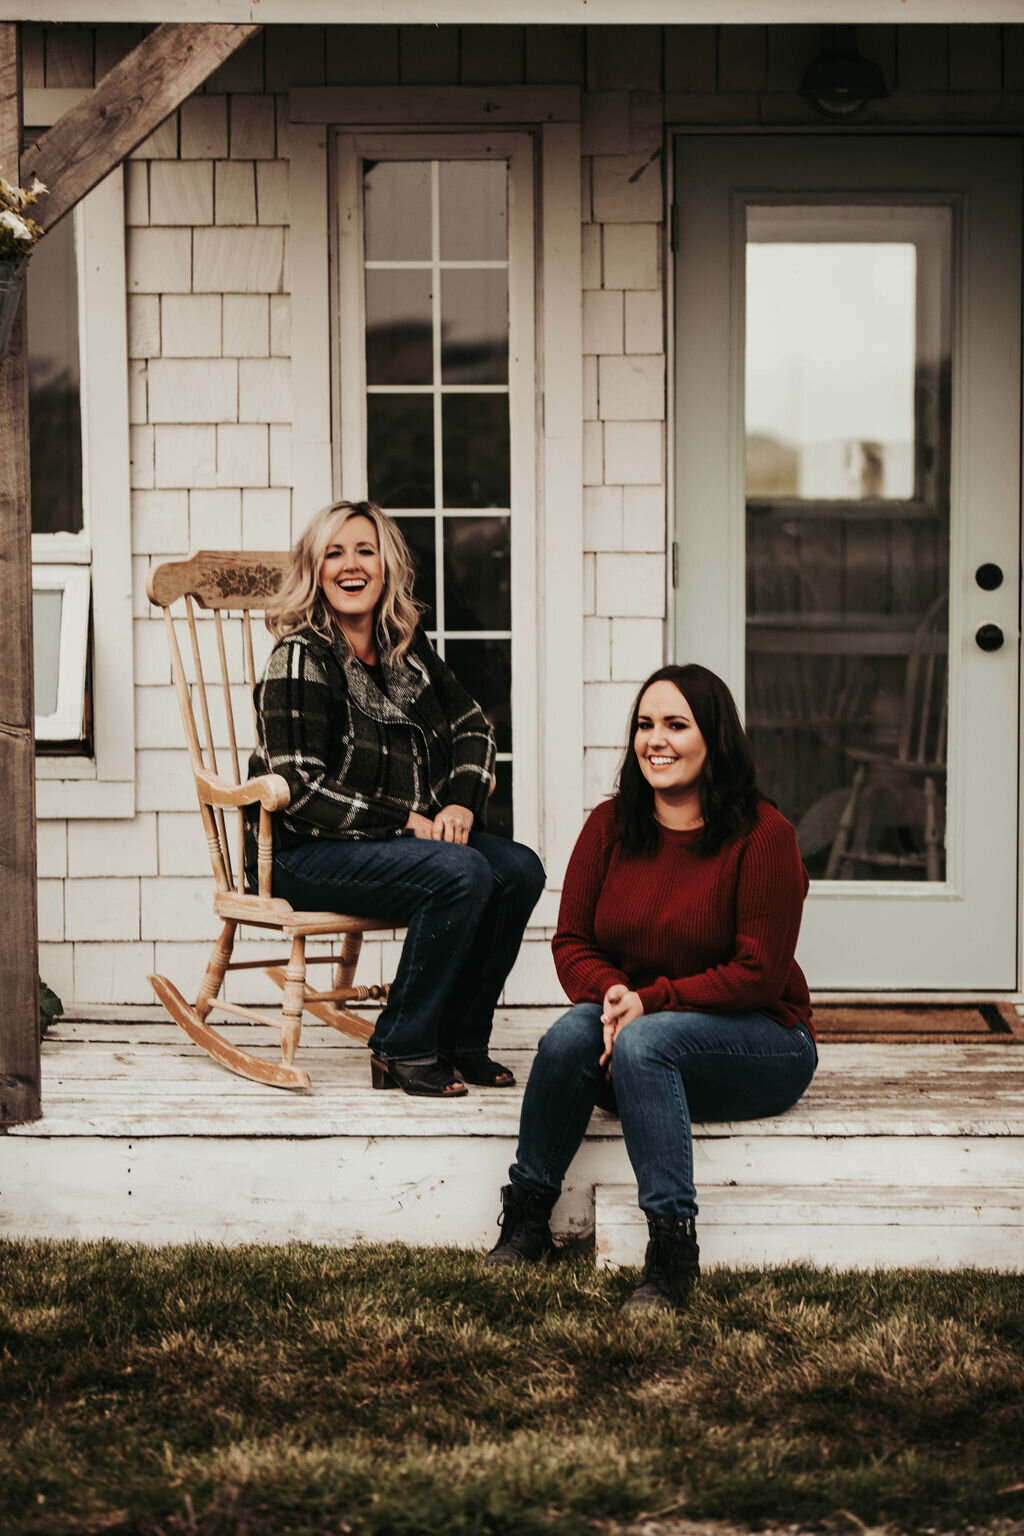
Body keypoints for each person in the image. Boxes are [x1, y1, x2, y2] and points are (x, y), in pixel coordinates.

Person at [484, 663, 816, 1310]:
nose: (654, 740)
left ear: (713, 738)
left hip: (765, 1042)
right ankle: (527, 1216)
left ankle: (671, 1250)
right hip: (639, 1031)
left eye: (675, 724)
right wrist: (612, 993)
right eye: (644, 724)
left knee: (646, 1045)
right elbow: (572, 943)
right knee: (566, 1037)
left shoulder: (765, 837)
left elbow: (759, 973)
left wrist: (649, 1002)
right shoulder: (610, 826)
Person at [246, 499, 545, 1098]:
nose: (351, 565)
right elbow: (300, 787)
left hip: (396, 840)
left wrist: (461, 800)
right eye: (334, 553)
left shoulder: (405, 650)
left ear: (387, 566)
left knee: (518, 869)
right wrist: (406, 821)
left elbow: (473, 727)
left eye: (365, 550)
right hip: (305, 852)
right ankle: (403, 1044)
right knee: (459, 872)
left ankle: (460, 1038)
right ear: (315, 569)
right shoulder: (300, 656)